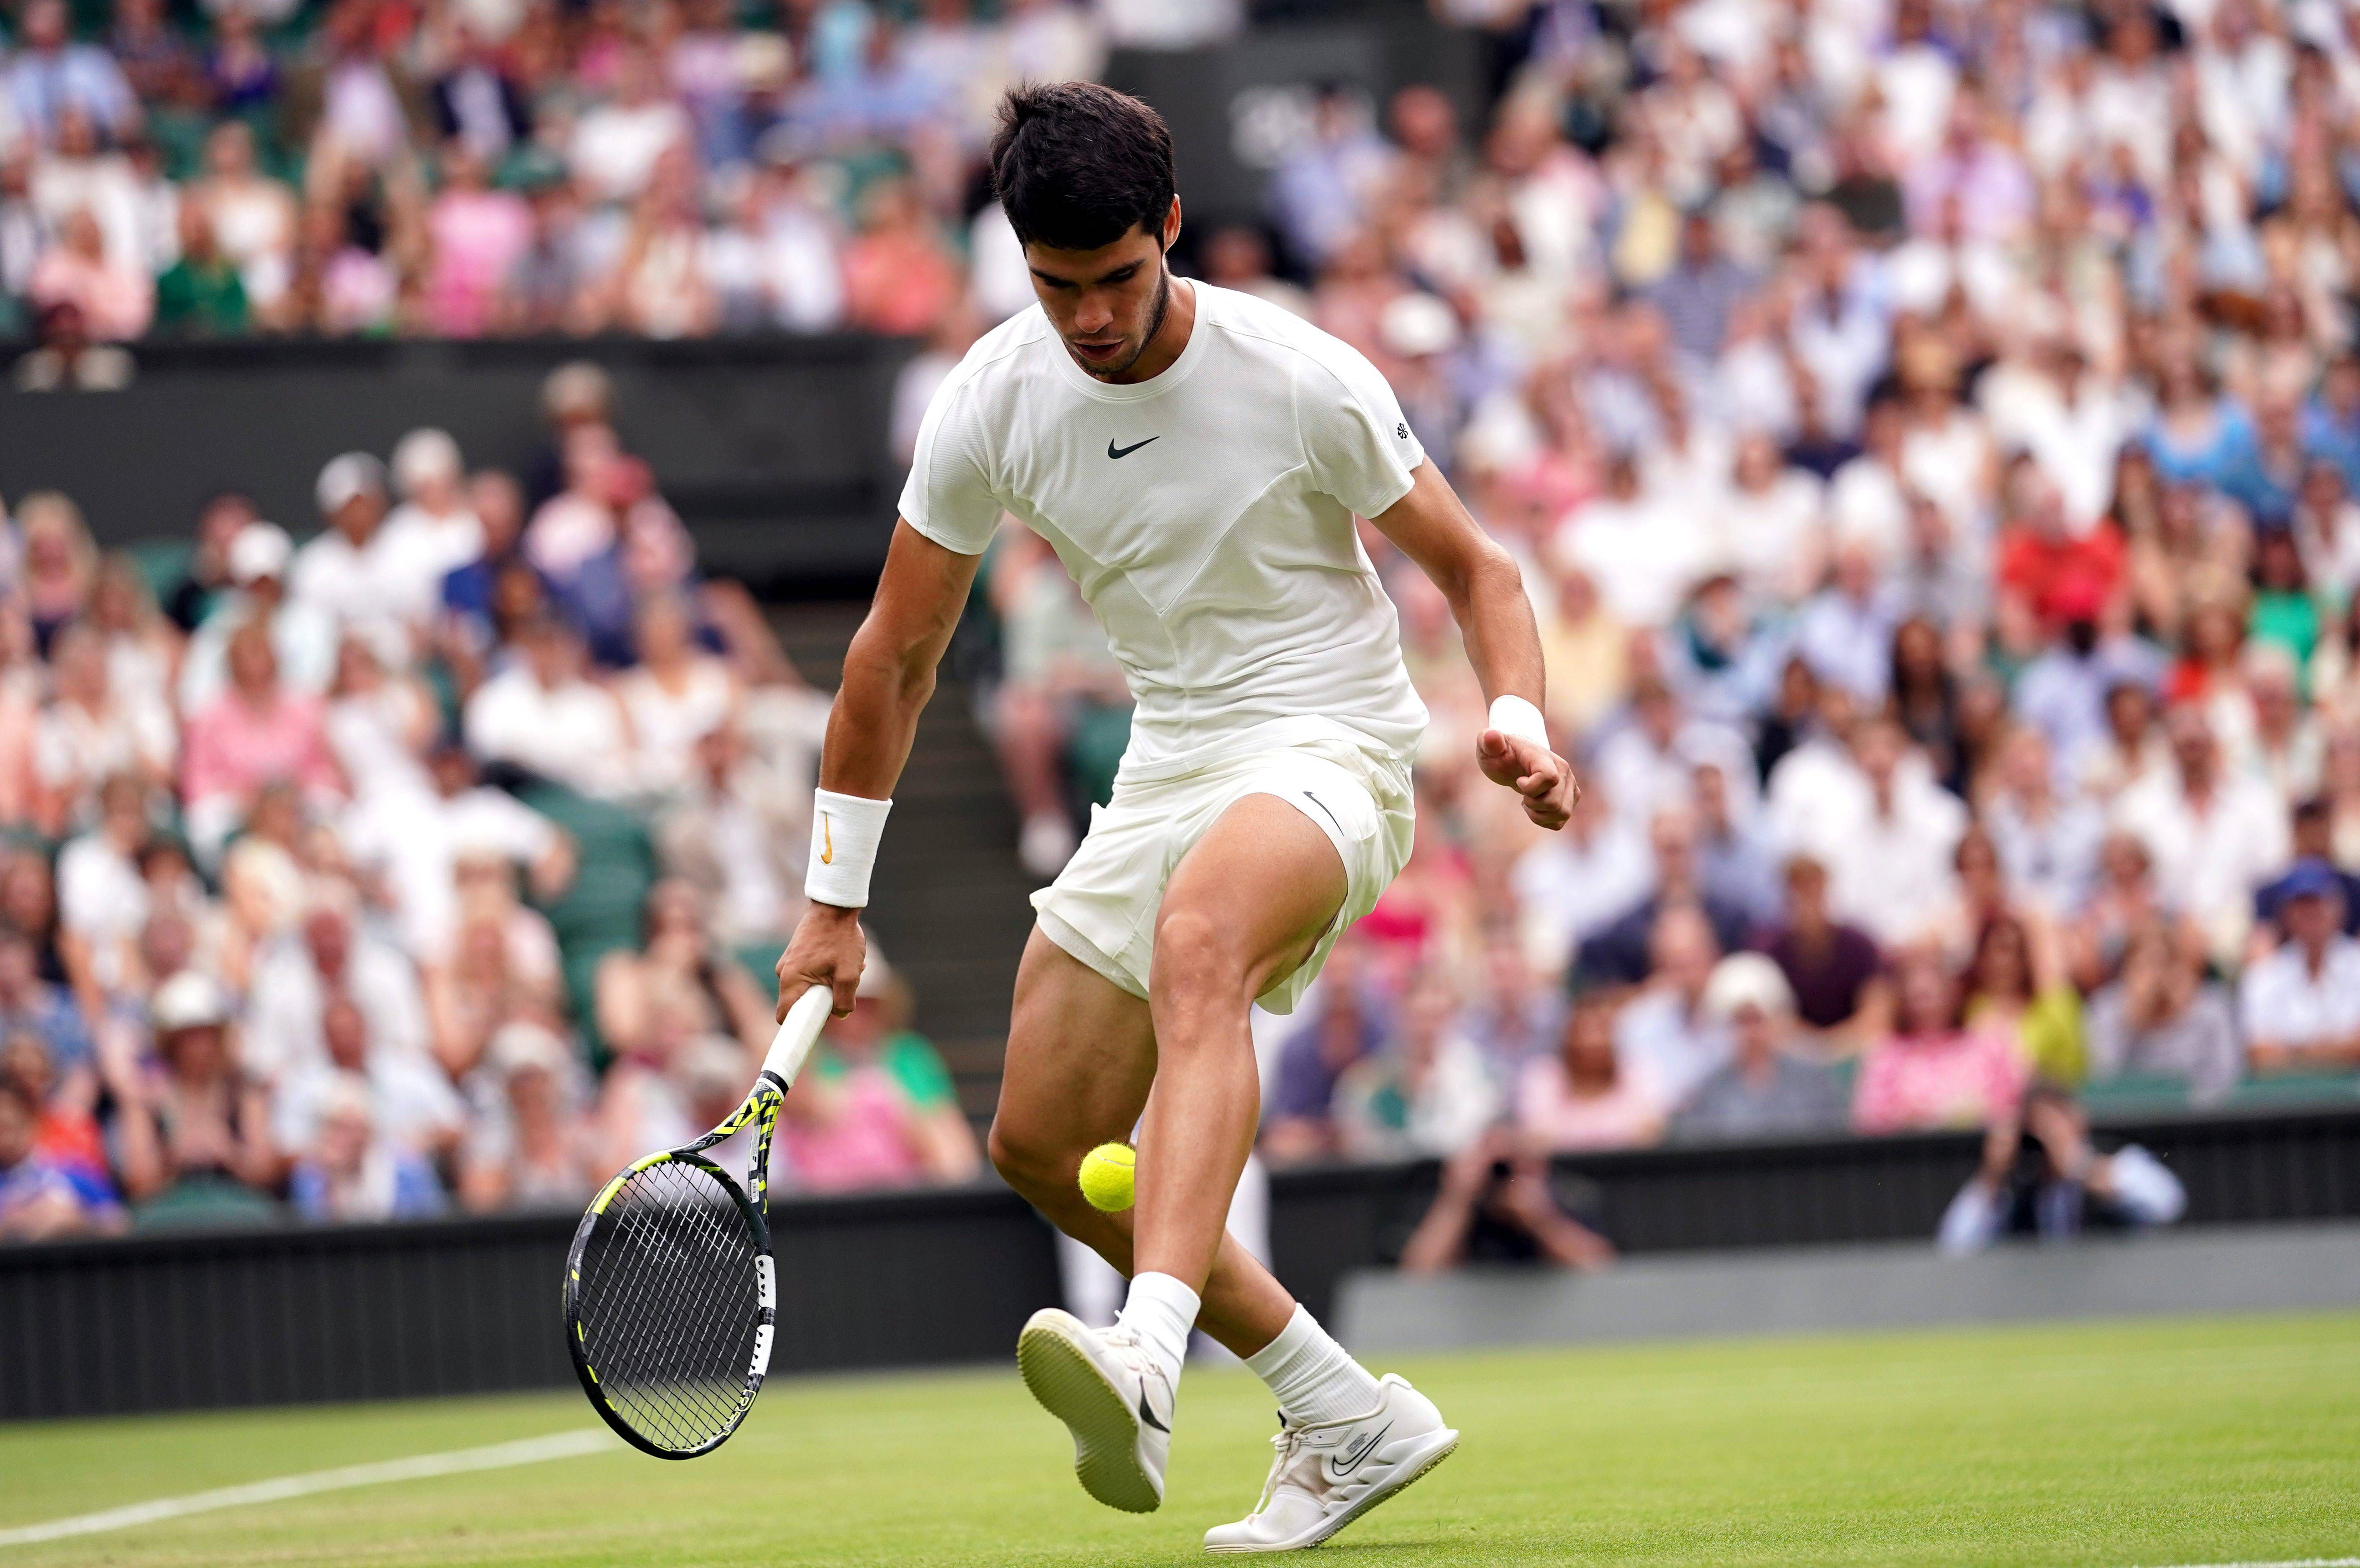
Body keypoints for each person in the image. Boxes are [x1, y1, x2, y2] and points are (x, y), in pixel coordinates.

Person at [771, 84, 1575, 1549]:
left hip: (1334, 740)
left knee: (1202, 942)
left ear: (1175, 232)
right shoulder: (993, 400)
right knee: (1036, 1136)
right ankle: (1344, 1409)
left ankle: (1148, 1350)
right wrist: (835, 895)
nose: (1087, 319)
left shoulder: (1299, 372)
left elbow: (1483, 574)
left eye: (1119, 280)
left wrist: (1514, 714)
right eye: (1054, 286)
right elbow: (891, 657)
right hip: (1171, 756)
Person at [1670, 954, 1847, 1142]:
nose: (1751, 1033)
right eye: (1740, 1022)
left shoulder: (1813, 1081)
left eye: (1757, 1020)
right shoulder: (1707, 1092)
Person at [2237, 860, 2360, 1076]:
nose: (2310, 913)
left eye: (2317, 903)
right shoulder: (2265, 973)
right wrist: (2332, 1051)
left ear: (2339, 907)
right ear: (2286, 914)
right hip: (2288, 1105)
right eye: (2301, 905)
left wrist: (2294, 1052)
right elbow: (2259, 1054)